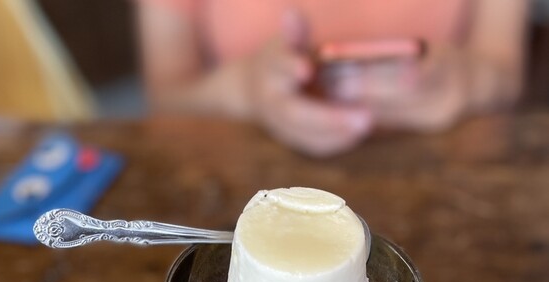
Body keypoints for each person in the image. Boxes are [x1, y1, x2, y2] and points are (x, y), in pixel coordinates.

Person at [135, 0, 529, 157]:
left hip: (445, 179)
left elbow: (505, 74)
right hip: (242, 197)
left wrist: (467, 80)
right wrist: (246, 91)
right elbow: (166, 98)